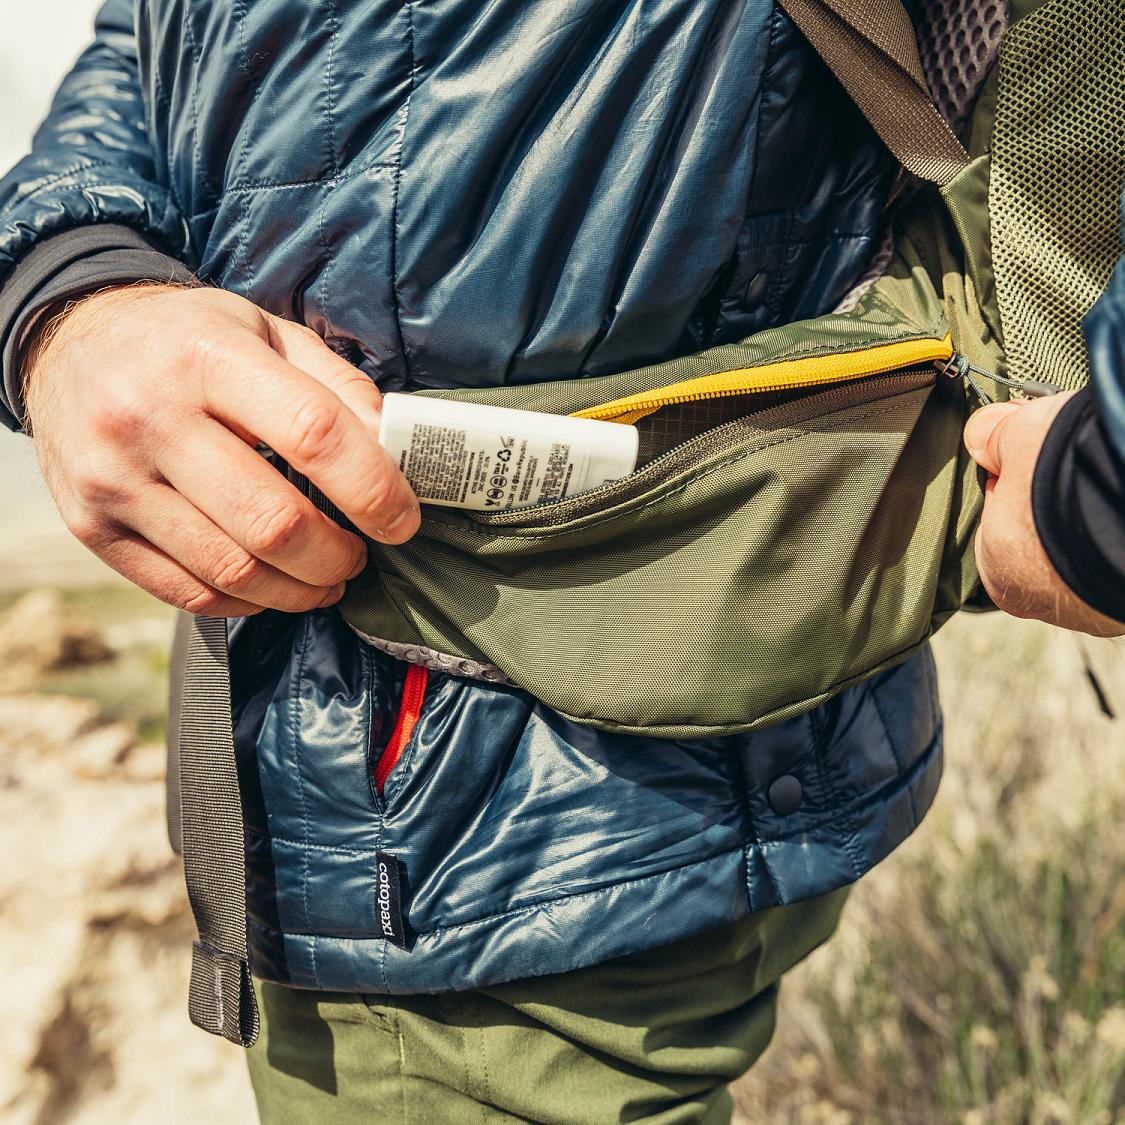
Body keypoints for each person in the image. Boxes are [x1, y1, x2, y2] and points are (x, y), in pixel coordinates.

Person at [1, 1, 1121, 1120]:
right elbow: (150, 37)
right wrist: (72, 288)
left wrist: (1098, 482)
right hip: (350, 772)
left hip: (535, 805)